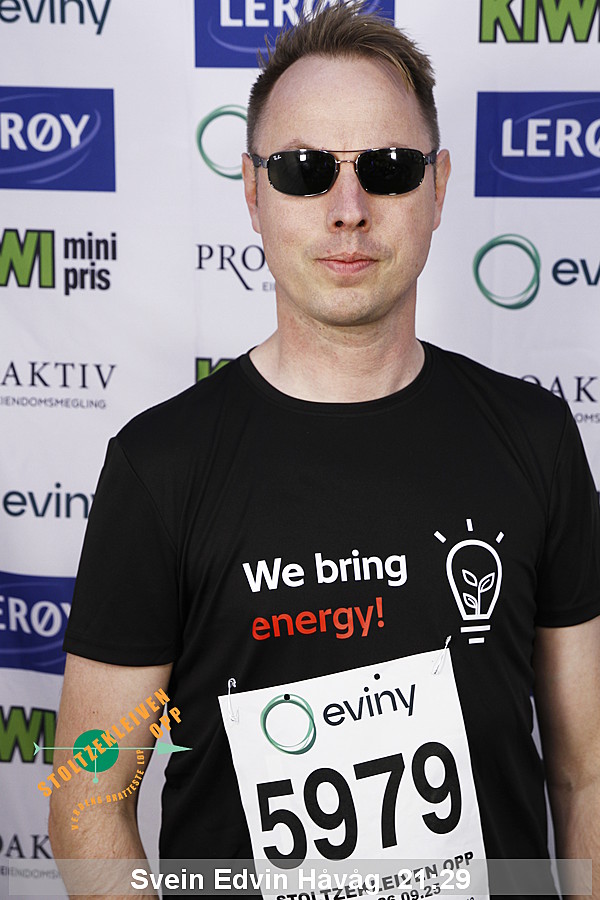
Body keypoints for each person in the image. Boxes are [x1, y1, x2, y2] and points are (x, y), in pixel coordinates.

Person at [50, 1, 600, 896]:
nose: (349, 210)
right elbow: (86, 802)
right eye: (305, 171)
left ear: (439, 186)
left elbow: (587, 777)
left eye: (387, 168)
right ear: (253, 192)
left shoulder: (536, 439)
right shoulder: (159, 468)